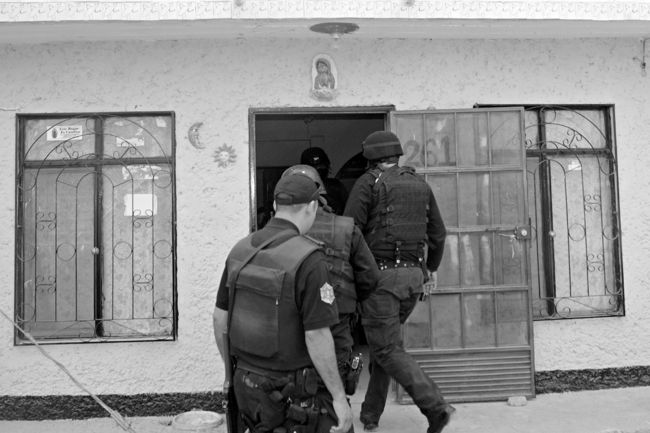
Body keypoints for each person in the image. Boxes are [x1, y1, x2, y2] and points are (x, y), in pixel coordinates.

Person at [213, 173, 353, 433]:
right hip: (293, 396)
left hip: (246, 385)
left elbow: (220, 319)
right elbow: (317, 335)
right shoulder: (309, 259)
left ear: (276, 205)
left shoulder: (240, 250)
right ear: (312, 207)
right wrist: (338, 397)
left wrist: (231, 372)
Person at [343, 131, 455, 433]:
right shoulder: (420, 183)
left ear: (370, 158)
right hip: (412, 280)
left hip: (380, 280)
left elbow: (350, 232)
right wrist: (431, 268)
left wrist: (349, 274)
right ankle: (371, 414)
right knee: (386, 346)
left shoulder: (368, 183)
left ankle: (436, 407)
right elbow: (438, 233)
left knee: (387, 349)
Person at [281, 165, 380, 396]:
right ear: (321, 194)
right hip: (337, 316)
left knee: (292, 386)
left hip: (291, 319)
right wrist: (350, 300)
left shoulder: (277, 232)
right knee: (336, 381)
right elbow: (370, 276)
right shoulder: (347, 227)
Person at [301, 147, 349, 215]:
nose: (318, 169)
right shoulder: (301, 188)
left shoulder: (336, 186)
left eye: (321, 166)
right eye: (315, 168)